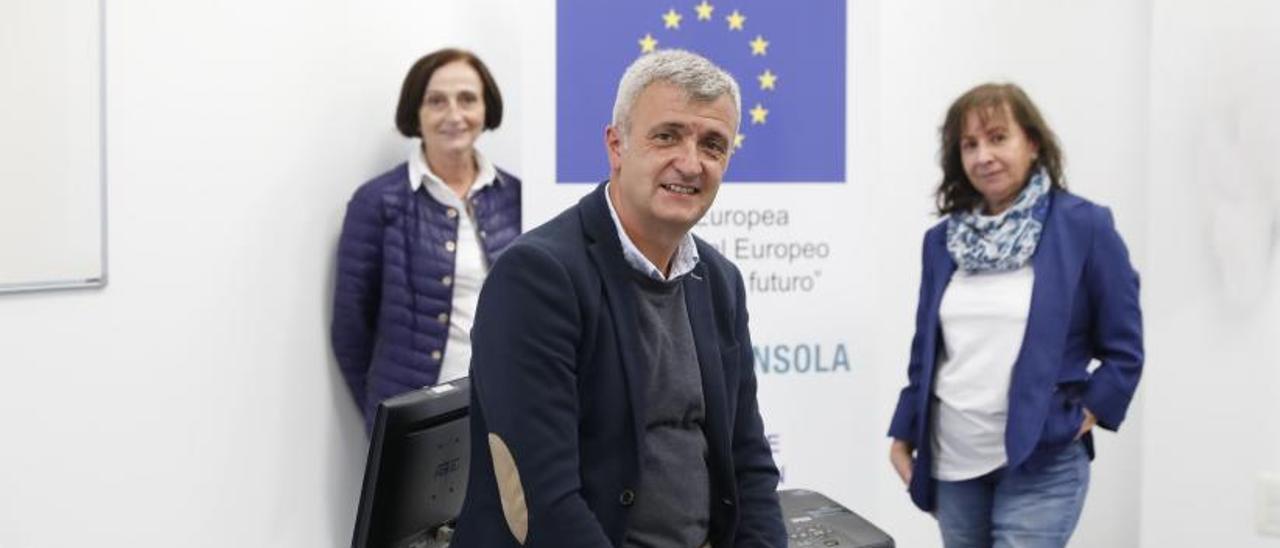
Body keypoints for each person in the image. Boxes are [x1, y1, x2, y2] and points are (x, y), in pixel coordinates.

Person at [450, 50, 785, 547]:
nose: (690, 163)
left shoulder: (719, 281)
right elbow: (546, 503)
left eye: (713, 145)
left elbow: (748, 462)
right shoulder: (538, 277)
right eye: (666, 135)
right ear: (617, 145)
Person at [887, 83, 1143, 547]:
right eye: (970, 145)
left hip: (1041, 456)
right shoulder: (943, 242)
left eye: (997, 137)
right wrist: (904, 432)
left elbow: (1125, 348)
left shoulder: (1084, 226)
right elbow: (927, 352)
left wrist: (1083, 413)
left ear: (1033, 143)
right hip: (953, 461)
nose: (984, 156)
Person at [331, 48, 521, 433]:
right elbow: (350, 329)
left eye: (467, 99)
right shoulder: (378, 202)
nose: (454, 115)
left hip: (508, 411)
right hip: (418, 424)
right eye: (436, 101)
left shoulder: (515, 196)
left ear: (487, 109)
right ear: (415, 112)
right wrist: (386, 416)